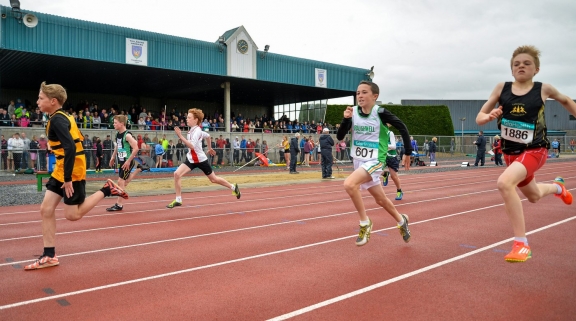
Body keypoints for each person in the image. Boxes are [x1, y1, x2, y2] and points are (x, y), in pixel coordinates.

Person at [475, 45, 574, 263]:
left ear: (536, 69)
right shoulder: (502, 88)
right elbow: (479, 118)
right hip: (511, 155)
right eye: (516, 64)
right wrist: (490, 115)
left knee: (504, 183)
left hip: (535, 149)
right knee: (534, 196)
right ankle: (558, 188)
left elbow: (566, 101)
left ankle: (521, 243)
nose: (521, 66)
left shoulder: (543, 89)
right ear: (511, 70)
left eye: (526, 63)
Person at [25, 82, 128, 271]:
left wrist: (67, 179)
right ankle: (49, 255)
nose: (37, 102)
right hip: (63, 167)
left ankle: (107, 189)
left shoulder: (57, 119)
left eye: (41, 98)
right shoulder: (61, 116)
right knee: (46, 209)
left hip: (71, 170)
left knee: (72, 215)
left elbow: (70, 147)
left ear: (53, 101)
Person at [337, 81, 412, 247]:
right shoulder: (353, 112)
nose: (360, 96)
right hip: (359, 162)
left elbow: (402, 127)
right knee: (381, 200)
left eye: (364, 92)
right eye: (358, 93)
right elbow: (340, 137)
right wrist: (345, 119)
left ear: (374, 96)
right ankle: (402, 221)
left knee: (349, 184)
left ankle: (365, 223)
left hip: (376, 160)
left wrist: (407, 152)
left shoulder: (381, 112)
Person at [166, 108, 241, 208]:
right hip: (191, 159)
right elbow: (208, 136)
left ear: (196, 120)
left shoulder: (197, 131)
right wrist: (209, 148)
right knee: (176, 174)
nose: (186, 119)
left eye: (189, 118)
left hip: (201, 160)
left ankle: (233, 187)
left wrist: (180, 136)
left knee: (213, 180)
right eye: (187, 117)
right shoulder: (192, 131)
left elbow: (192, 146)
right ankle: (178, 199)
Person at [106, 115, 150, 212]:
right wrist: (113, 157)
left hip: (127, 162)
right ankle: (139, 169)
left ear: (122, 124)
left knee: (120, 182)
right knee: (124, 183)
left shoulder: (128, 135)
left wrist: (128, 161)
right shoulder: (118, 134)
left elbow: (136, 148)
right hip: (121, 161)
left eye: (115, 122)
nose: (113, 124)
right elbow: (117, 146)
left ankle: (119, 204)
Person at [381, 123, 404, 200]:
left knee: (394, 176)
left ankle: (399, 191)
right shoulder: (377, 134)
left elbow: (394, 146)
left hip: (391, 157)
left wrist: (384, 146)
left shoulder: (390, 133)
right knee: (376, 170)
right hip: (382, 157)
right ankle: (385, 174)